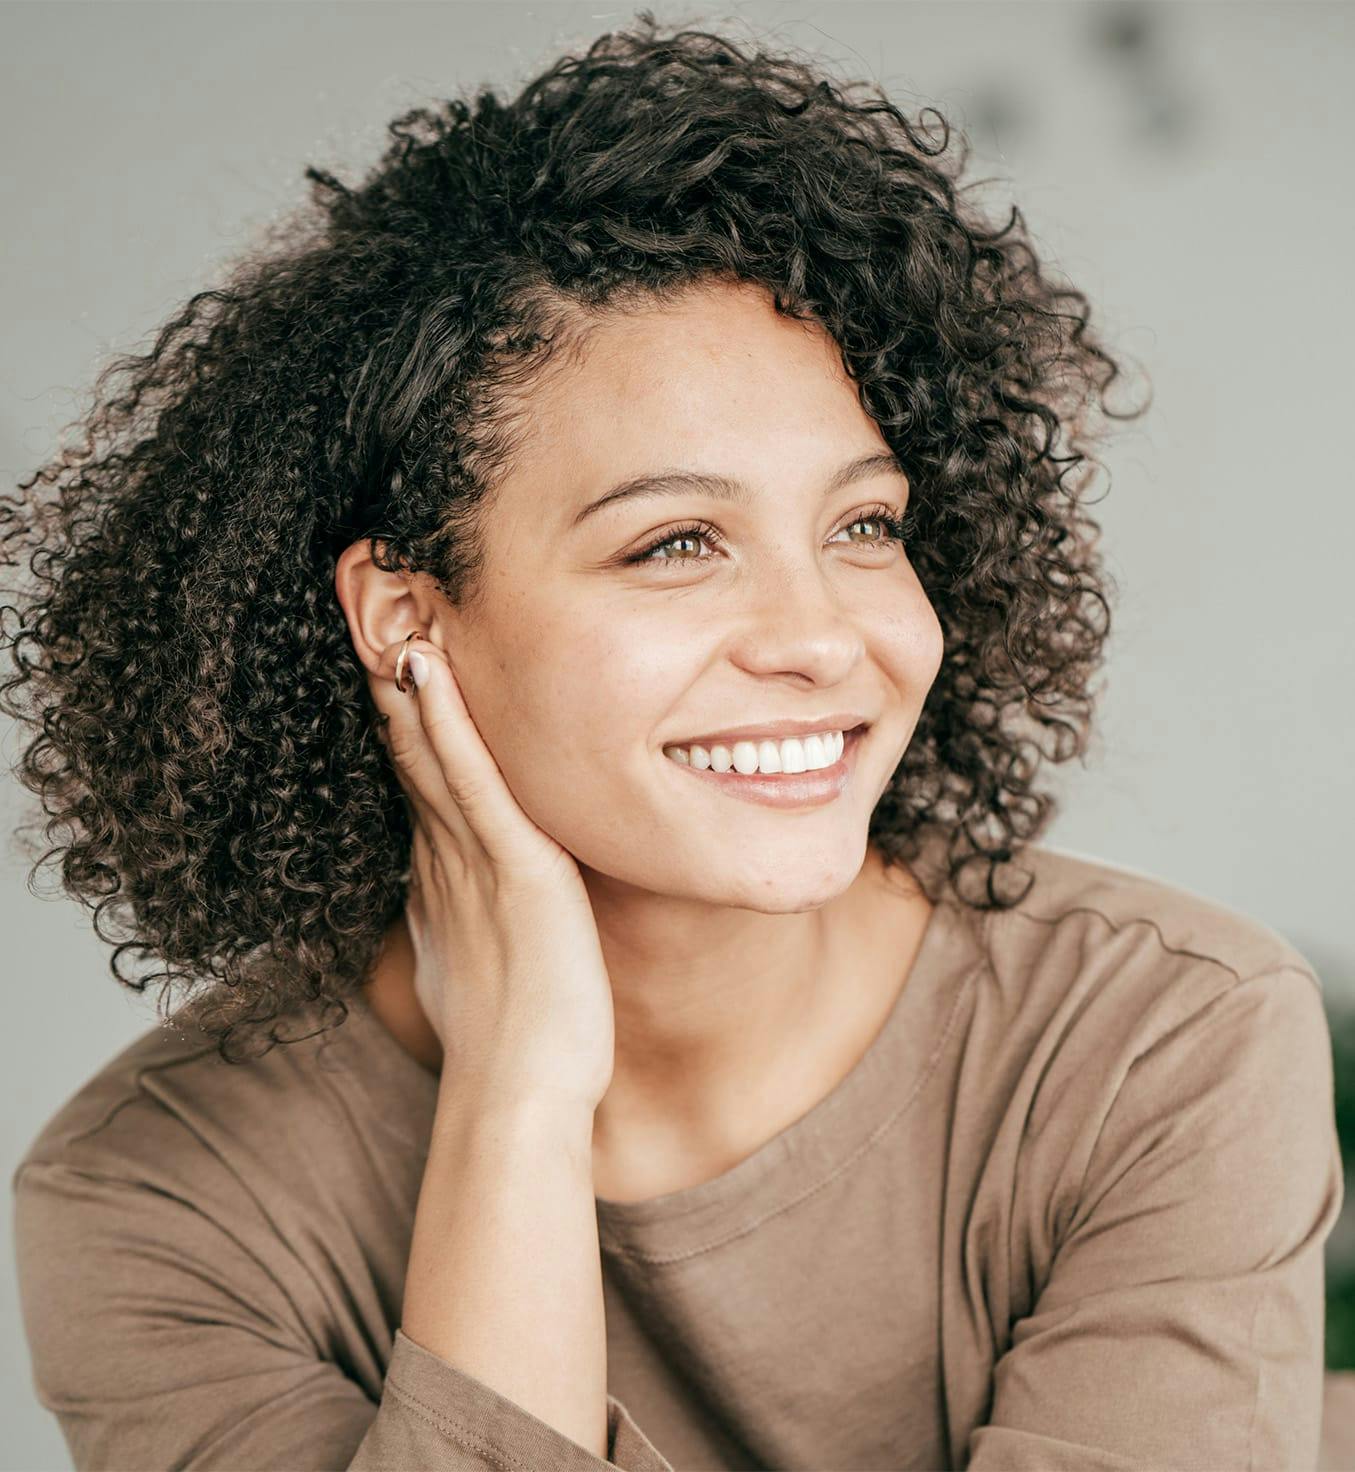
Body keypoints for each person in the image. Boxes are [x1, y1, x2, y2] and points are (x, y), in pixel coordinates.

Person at [3, 14, 1341, 1471]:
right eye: (678, 542)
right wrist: (517, 1087)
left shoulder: (1160, 1041)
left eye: (864, 526)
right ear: (408, 617)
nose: (823, 637)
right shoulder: (161, 1201)